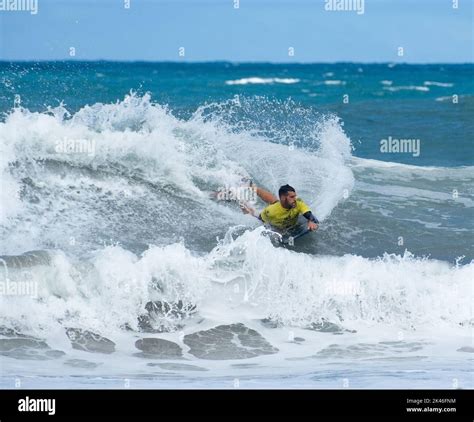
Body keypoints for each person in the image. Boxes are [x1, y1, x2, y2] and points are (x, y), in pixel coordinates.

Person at [241, 184, 319, 233]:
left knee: (275, 202)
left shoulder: (298, 203)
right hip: (271, 215)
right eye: (292, 197)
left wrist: (310, 220)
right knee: (251, 213)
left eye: (295, 196)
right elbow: (262, 221)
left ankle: (253, 187)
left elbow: (308, 213)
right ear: (283, 198)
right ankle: (239, 198)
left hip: (281, 205)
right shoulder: (271, 211)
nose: (295, 199)